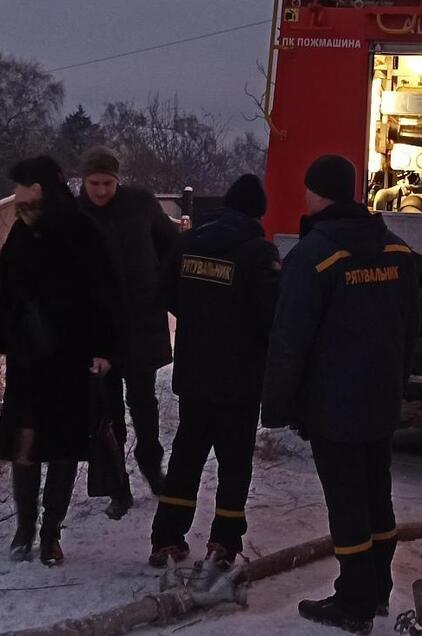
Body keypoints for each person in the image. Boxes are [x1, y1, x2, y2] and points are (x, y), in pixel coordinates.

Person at [262, 155, 420, 634]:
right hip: (380, 399)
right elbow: (410, 329)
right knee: (377, 495)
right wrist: (397, 384)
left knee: (347, 502)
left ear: (317, 194)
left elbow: (290, 339)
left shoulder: (313, 256)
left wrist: (277, 406)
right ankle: (377, 590)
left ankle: (353, 602)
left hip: (333, 404)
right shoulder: (398, 251)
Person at [0, 155, 123, 567]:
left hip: (68, 358)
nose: (14, 193)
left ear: (37, 188)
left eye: (19, 185)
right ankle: (24, 529)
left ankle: (50, 533)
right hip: (27, 358)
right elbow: (7, 290)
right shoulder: (22, 231)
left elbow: (105, 294)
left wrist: (103, 349)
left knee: (62, 447)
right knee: (24, 443)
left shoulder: (81, 230)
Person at [148, 174, 280, 571]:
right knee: (234, 462)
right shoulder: (259, 253)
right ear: (258, 212)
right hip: (239, 378)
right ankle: (224, 542)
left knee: (187, 455)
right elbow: (270, 315)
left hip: (194, 371)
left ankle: (167, 538)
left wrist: (196, 317)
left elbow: (164, 290)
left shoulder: (188, 243)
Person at [77, 147, 180, 497]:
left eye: (107, 183)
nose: (101, 190)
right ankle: (117, 485)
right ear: (84, 181)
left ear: (117, 180)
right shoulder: (73, 215)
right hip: (96, 333)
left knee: (144, 404)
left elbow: (171, 247)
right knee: (107, 411)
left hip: (141, 326)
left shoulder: (140, 205)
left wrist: (160, 287)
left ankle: (153, 468)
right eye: (94, 183)